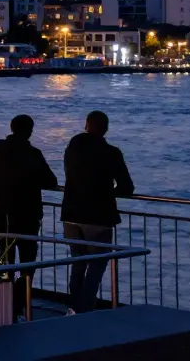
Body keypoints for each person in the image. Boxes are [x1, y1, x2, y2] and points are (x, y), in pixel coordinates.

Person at [61, 110, 135, 313]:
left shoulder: (72, 148)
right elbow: (127, 186)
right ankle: (86, 309)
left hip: (71, 215)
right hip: (98, 216)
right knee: (96, 266)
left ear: (86, 125)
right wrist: (108, 191)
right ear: (105, 129)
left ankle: (73, 307)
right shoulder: (111, 153)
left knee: (77, 263)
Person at [0, 114, 58, 319]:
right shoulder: (32, 154)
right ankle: (20, 300)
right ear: (29, 130)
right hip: (27, 214)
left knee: (6, 260)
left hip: (1, 213)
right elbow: (51, 180)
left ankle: (6, 302)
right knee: (28, 261)